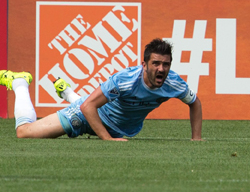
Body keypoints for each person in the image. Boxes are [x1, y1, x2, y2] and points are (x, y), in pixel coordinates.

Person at [0, 38, 203, 141]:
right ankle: (20, 83)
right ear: (144, 64)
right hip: (86, 115)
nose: (161, 69)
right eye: (156, 63)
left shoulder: (174, 83)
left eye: (166, 64)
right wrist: (108, 140)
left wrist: (196, 139)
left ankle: (67, 92)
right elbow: (88, 106)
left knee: (94, 102)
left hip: (113, 123)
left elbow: (195, 102)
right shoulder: (124, 80)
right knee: (24, 133)